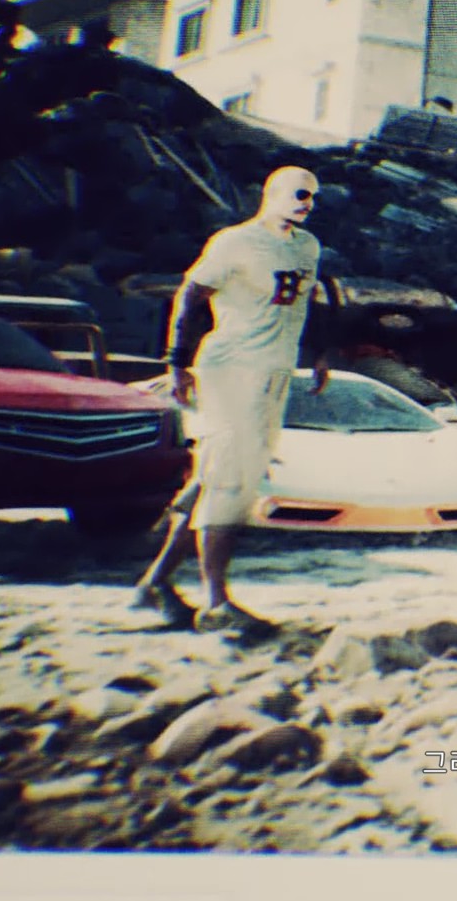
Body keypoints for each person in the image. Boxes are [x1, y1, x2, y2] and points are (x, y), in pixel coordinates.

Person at [131, 165, 328, 634]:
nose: (308, 203)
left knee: (217, 478)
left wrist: (321, 354)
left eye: (313, 196)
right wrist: (177, 361)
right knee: (230, 482)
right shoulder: (235, 242)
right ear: (272, 193)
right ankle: (217, 601)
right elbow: (190, 294)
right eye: (300, 194)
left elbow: (311, 300)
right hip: (233, 369)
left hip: (275, 370)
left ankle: (154, 584)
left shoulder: (307, 246)